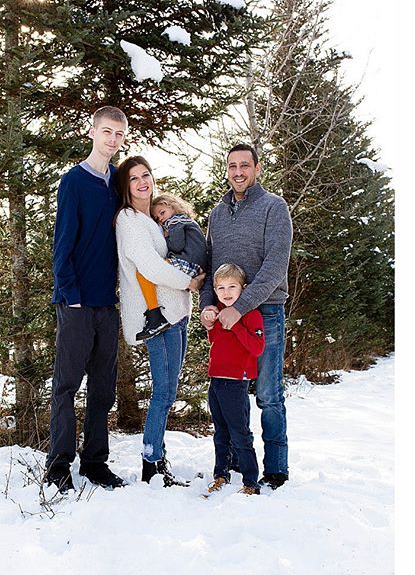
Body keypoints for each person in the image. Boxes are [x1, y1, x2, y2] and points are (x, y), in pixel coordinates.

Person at [44, 106, 128, 494]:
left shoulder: (117, 183)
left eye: (119, 134)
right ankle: (59, 464)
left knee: (102, 387)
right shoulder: (74, 181)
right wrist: (70, 295)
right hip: (76, 302)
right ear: (92, 132)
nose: (113, 139)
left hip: (105, 305)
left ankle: (95, 462)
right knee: (66, 385)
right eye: (106, 132)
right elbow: (62, 244)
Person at [200, 143, 293, 490]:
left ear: (257, 168)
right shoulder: (218, 214)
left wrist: (241, 307)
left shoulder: (274, 207)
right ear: (227, 170)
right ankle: (238, 460)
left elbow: (274, 267)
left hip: (263, 312)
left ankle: (276, 468)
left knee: (268, 394)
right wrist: (209, 306)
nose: (238, 172)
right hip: (226, 319)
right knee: (229, 394)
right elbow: (211, 268)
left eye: (245, 165)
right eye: (232, 166)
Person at [114, 156, 204, 486]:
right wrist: (189, 282)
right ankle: (151, 463)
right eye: (134, 178)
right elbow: (150, 267)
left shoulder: (152, 218)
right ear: (125, 186)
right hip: (159, 318)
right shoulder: (128, 219)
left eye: (146, 175)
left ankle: (159, 457)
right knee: (163, 393)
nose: (142, 182)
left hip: (177, 313)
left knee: (168, 391)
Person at [204, 263, 265, 496]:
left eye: (232, 286)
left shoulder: (251, 314)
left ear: (243, 289)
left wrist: (236, 325)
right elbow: (216, 341)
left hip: (236, 381)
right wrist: (210, 321)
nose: (226, 292)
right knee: (220, 432)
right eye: (220, 288)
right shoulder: (219, 311)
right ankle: (221, 474)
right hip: (216, 380)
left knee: (239, 432)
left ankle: (251, 481)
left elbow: (257, 348)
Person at [134, 193, 207, 341]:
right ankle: (155, 315)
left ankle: (154, 315)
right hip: (194, 265)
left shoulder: (175, 222)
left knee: (145, 271)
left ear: (172, 206)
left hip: (189, 262)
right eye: (157, 218)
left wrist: (166, 236)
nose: (161, 218)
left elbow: (177, 245)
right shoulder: (186, 220)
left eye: (162, 213)